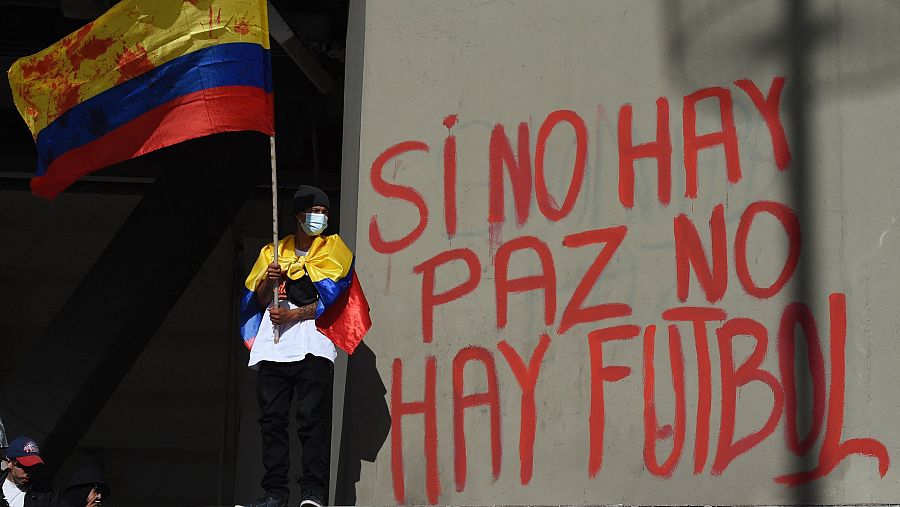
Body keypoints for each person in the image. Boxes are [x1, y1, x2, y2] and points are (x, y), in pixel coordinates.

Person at [236, 185, 369, 507]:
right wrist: (268, 279)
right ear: (298, 216)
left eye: (324, 213)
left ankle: (312, 492)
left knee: (312, 419)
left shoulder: (334, 250)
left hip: (313, 344)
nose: (320, 218)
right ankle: (274, 493)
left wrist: (294, 313)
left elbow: (333, 298)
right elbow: (259, 298)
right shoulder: (273, 252)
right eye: (315, 212)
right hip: (274, 347)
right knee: (272, 421)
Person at [0, 436, 58, 507]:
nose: (29, 472)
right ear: (10, 463)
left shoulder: (47, 495)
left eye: (33, 467)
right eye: (25, 466)